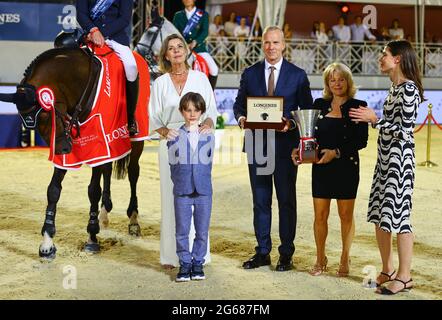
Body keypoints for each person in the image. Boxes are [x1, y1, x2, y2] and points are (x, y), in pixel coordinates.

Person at [233, 26, 313, 272]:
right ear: (262, 44)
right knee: (260, 201)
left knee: (286, 201)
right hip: (257, 145)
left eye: (276, 43)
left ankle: (286, 254)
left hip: (285, 148)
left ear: (283, 45)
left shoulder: (298, 75)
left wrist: (290, 123)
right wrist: (242, 120)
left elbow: (307, 111)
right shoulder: (250, 74)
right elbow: (238, 105)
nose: (271, 47)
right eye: (267, 42)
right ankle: (263, 252)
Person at [349, 40, 424, 295]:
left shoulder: (410, 90)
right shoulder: (394, 88)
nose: (380, 58)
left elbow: (406, 130)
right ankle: (388, 269)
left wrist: (376, 120)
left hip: (400, 162)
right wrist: (375, 121)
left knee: (400, 218)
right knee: (380, 216)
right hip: (385, 161)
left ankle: (404, 277)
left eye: (385, 54)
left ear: (398, 59)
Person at [148, 34, 217, 269]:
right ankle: (171, 255)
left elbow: (212, 112)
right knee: (172, 200)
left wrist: (207, 124)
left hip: (198, 142)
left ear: (187, 51)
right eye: (171, 48)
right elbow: (153, 117)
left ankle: (200, 255)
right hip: (172, 142)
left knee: (199, 197)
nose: (176, 51)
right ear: (165, 55)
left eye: (180, 46)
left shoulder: (200, 78)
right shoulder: (160, 83)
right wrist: (166, 131)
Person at [293, 62, 368, 277]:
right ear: (327, 83)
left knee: (346, 216)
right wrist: (299, 151)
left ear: (348, 81)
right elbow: (309, 136)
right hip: (322, 169)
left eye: (341, 79)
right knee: (320, 216)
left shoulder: (358, 106)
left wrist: (335, 152)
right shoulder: (319, 105)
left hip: (346, 167)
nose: (337, 83)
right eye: (332, 80)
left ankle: (345, 257)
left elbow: (361, 140)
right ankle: (320, 258)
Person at [168, 92, 215, 282]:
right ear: (182, 112)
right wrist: (181, 182)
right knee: (182, 230)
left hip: (204, 190)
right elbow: (173, 165)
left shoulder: (209, 135)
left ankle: (198, 263)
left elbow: (209, 163)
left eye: (196, 110)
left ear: (202, 111)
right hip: (183, 190)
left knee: (202, 230)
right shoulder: (174, 135)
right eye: (188, 110)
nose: (192, 114)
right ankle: (185, 263)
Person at [76, 0, 138, 136]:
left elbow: (124, 18)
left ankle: (131, 116)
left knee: (131, 66)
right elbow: (81, 14)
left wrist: (101, 32)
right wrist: (93, 30)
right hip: (90, 35)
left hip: (115, 37)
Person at [173, 0, 219, 89]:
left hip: (199, 49)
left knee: (214, 69)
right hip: (182, 49)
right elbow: (175, 32)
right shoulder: (178, 15)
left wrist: (195, 42)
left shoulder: (203, 14)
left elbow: (205, 31)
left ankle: (210, 94)